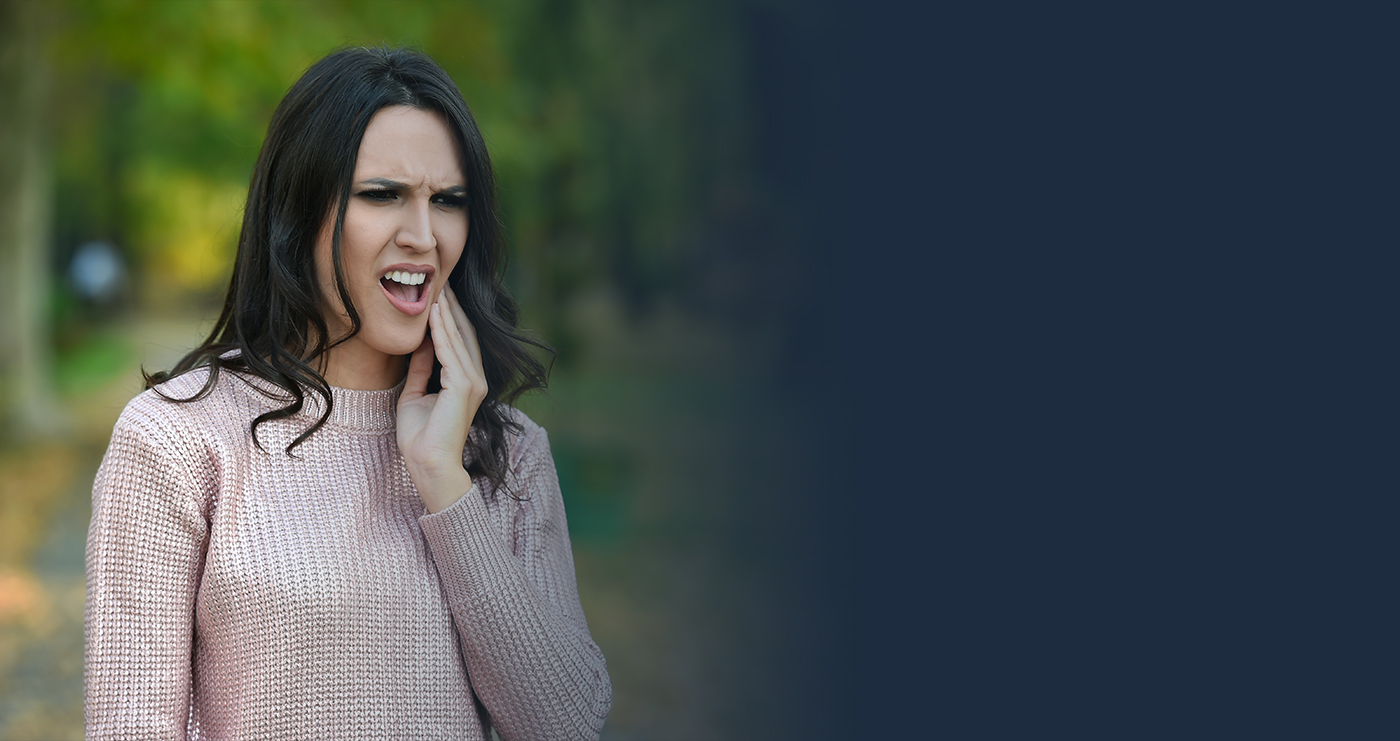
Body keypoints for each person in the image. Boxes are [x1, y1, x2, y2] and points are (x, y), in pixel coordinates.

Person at [85, 46, 611, 740]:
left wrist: (444, 483)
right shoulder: (176, 440)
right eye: (382, 194)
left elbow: (567, 725)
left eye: (447, 201)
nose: (423, 237)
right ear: (298, 211)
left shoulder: (508, 454)